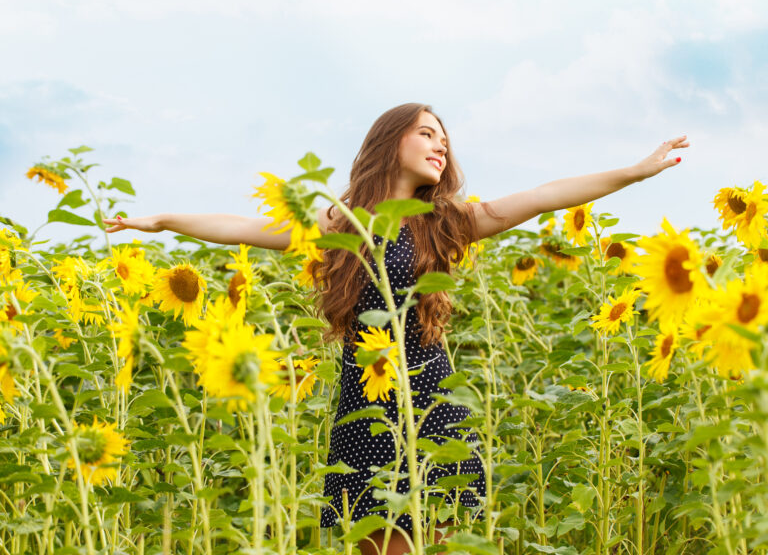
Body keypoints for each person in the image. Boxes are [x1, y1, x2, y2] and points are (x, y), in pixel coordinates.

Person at [103, 102, 689, 555]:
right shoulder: (341, 220)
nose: (440, 145)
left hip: (428, 390)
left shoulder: (445, 222)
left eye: (444, 139)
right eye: (426, 133)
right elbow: (247, 227)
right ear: (392, 141)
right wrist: (164, 220)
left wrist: (635, 173)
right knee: (379, 539)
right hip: (366, 391)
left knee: (431, 533)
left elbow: (542, 197)